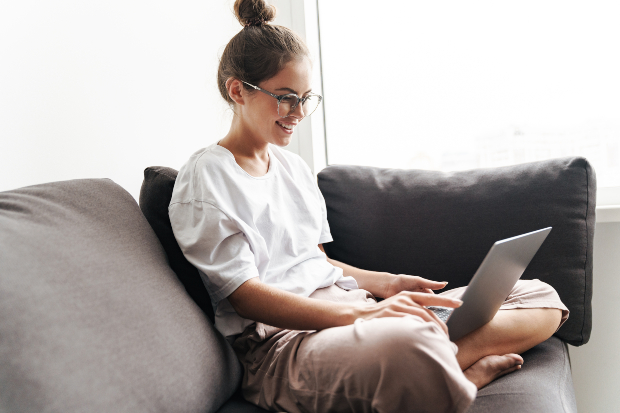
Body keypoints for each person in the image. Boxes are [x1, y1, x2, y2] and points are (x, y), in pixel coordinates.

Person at [169, 1, 569, 412]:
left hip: (349, 313)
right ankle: (460, 373)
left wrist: (387, 285)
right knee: (411, 342)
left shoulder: (292, 168)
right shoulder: (207, 177)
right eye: (287, 98)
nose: (299, 113)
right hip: (283, 343)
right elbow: (246, 297)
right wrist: (361, 319)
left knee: (540, 297)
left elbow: (316, 262)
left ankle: (438, 362)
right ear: (238, 90)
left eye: (307, 98)